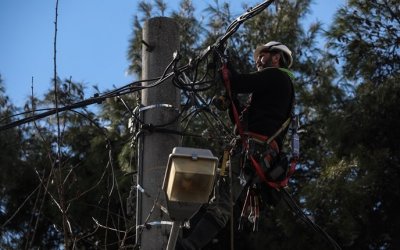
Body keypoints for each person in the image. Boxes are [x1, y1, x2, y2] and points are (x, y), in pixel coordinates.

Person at [177, 41, 295, 249]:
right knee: (210, 193)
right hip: (255, 149)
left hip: (254, 150)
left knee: (220, 202)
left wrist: (224, 60)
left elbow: (237, 81)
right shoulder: (277, 87)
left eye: (263, 56)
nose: (258, 60)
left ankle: (188, 246)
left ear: (276, 58)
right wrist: (232, 101)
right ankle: (184, 237)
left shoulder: (276, 76)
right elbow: (241, 122)